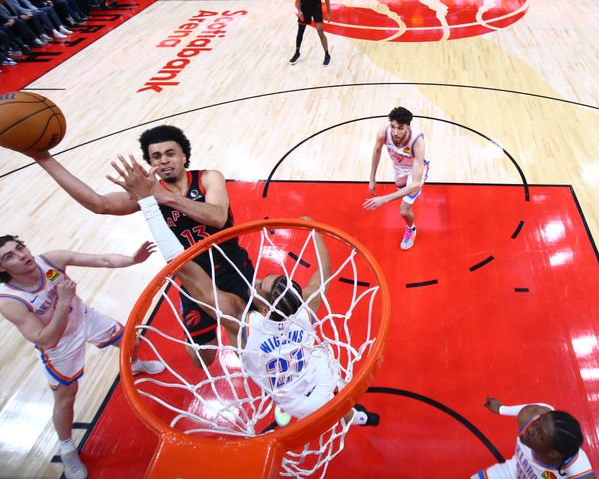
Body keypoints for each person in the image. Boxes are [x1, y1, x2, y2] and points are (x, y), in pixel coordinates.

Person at [107, 155, 380, 429]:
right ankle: (356, 416)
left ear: (263, 308)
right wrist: (315, 233)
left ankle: (328, 414)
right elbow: (323, 273)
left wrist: (147, 203)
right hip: (320, 376)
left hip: (290, 399)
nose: (257, 279)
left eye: (260, 285)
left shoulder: (241, 321)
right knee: (337, 400)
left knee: (299, 401)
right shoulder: (304, 308)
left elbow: (185, 269)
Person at [29, 125, 255, 368]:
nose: (164, 160)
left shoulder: (208, 177)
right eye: (156, 157)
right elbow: (99, 204)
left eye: (170, 153)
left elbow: (217, 217)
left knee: (246, 331)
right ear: (151, 164)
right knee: (203, 360)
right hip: (193, 280)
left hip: (233, 268)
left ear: (183, 157)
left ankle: (261, 374)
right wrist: (44, 159)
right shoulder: (149, 194)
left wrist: (160, 196)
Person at [0, 235, 164, 479]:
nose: (22, 255)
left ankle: (135, 363)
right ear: (2, 268)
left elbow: (104, 260)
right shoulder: (9, 301)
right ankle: (67, 449)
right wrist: (63, 302)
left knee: (131, 339)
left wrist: (132, 260)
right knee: (66, 398)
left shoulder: (51, 260)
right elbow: (47, 339)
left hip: (84, 317)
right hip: (59, 344)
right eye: (9, 256)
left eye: (20, 248)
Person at [472, 397, 595, 479]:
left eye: (540, 435)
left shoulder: (578, 471)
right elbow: (528, 410)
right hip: (513, 473)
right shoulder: (532, 415)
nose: (530, 429)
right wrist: (501, 409)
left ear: (553, 453)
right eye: (538, 422)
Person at [363, 106, 430, 251]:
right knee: (403, 192)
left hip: (415, 170)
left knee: (404, 210)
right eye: (393, 126)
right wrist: (372, 178)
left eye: (400, 128)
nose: (395, 132)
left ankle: (411, 229)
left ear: (408, 128)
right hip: (399, 168)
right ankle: (410, 199)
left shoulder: (418, 142)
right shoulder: (384, 133)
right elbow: (377, 150)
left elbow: (415, 184)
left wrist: (383, 199)